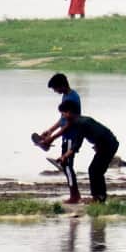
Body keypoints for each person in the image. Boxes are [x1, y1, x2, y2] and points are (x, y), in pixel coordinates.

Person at [38, 100, 119, 203]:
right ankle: (99, 197)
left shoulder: (82, 123)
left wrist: (98, 145)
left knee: (95, 170)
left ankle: (98, 198)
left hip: (108, 145)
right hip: (107, 144)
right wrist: (65, 156)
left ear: (70, 112)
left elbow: (81, 142)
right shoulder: (79, 122)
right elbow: (77, 142)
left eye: (63, 113)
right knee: (96, 170)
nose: (63, 116)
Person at [37, 72, 84, 204]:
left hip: (71, 135)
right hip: (66, 135)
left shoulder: (72, 98)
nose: (55, 91)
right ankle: (75, 194)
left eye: (55, 88)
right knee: (66, 165)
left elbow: (69, 123)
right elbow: (63, 118)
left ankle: (75, 196)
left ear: (62, 85)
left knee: (67, 165)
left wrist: (52, 138)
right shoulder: (66, 96)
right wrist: (50, 130)